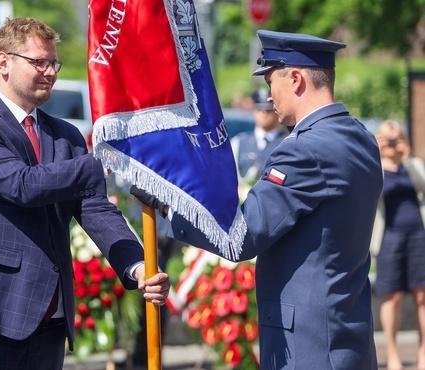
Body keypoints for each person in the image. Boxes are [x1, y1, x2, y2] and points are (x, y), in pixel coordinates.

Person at [0, 17, 170, 370]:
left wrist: (137, 266)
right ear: (3, 63)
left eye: (53, 63)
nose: (50, 72)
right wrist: (102, 161)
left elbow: (96, 210)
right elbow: (21, 185)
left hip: (47, 326)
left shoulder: (66, 136)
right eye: (39, 62)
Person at [135, 30, 382, 369]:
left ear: (295, 78)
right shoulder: (361, 138)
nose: (268, 96)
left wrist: (169, 204)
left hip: (308, 347)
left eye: (270, 81)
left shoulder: (303, 150)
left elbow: (240, 238)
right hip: (346, 338)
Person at [371, 119, 425, 370]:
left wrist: (408, 156)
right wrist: (375, 149)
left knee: (422, 296)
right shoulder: (375, 168)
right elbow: (371, 191)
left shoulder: (413, 166)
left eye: (397, 138)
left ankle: (423, 350)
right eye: (387, 139)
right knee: (391, 297)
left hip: (418, 235)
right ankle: (392, 352)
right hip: (389, 238)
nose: (393, 144)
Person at [230, 88, 288, 196]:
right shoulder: (239, 142)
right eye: (259, 109)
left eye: (268, 110)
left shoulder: (287, 142)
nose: (264, 113)